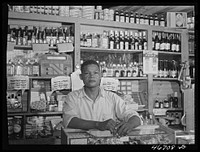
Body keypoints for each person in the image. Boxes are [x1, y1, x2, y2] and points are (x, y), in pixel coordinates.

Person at [62, 60, 141, 136]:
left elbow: (133, 116)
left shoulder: (112, 97)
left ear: (100, 75)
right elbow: (69, 121)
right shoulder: (72, 97)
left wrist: (130, 124)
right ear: (81, 76)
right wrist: (98, 124)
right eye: (87, 73)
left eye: (95, 73)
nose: (91, 76)